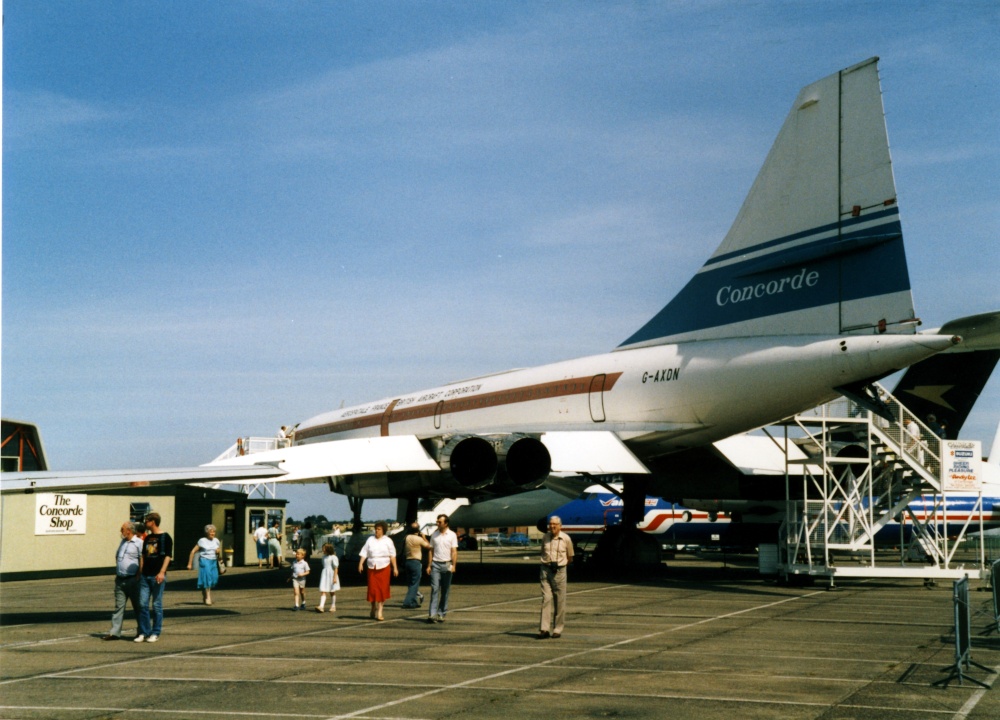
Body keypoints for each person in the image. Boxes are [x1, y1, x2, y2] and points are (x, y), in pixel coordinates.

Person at [102, 521, 144, 640]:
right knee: (118, 607)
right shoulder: (123, 542)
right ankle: (115, 633)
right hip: (120, 580)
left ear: (129, 531)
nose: (121, 531)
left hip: (133, 579)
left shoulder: (139, 543)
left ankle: (142, 631)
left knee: (138, 607)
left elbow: (142, 559)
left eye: (122, 529)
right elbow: (117, 556)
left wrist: (138, 575)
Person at [136, 512, 172, 643]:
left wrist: (162, 572)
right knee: (142, 604)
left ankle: (155, 632)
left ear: (153, 522)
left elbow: (168, 556)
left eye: (147, 521)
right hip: (145, 575)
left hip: (157, 575)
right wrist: (140, 572)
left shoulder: (165, 537)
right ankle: (144, 632)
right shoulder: (148, 538)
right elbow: (143, 556)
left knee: (156, 604)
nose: (145, 523)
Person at [538, 515, 574, 639]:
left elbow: (570, 557)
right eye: (551, 524)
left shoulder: (566, 539)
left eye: (555, 524)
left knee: (559, 601)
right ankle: (544, 629)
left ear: (560, 526)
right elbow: (542, 552)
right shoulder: (545, 537)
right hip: (545, 570)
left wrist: (560, 566)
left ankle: (557, 629)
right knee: (546, 599)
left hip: (559, 571)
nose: (552, 526)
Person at [358, 520, 398, 621]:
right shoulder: (370, 539)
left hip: (384, 567)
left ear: (383, 530)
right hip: (372, 567)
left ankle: (380, 610)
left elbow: (392, 555)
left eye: (379, 529)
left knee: (382, 589)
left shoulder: (388, 540)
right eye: (376, 529)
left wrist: (395, 568)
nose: (376, 531)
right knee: (372, 589)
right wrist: (361, 563)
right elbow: (364, 552)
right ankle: (373, 607)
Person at [426, 514, 458, 624]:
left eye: (440, 522)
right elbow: (431, 551)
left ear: (446, 523)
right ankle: (432, 614)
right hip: (435, 564)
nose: (437, 523)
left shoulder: (452, 535)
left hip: (447, 564)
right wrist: (429, 565)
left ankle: (441, 613)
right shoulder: (434, 535)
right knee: (434, 589)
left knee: (445, 590)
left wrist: (454, 565)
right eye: (437, 521)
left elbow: (454, 551)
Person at [186, 524, 223, 605]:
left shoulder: (216, 541)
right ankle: (208, 597)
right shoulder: (202, 541)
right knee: (207, 578)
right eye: (210, 532)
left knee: (214, 578)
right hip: (205, 560)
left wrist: (218, 552)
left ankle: (204, 592)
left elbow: (218, 553)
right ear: (207, 532)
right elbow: (193, 551)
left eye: (214, 532)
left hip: (213, 561)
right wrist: (189, 564)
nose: (212, 533)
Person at [402, 523, 429, 608]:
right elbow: (429, 546)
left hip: (407, 561)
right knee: (415, 583)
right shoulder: (419, 539)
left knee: (410, 583)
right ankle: (407, 602)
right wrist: (424, 537)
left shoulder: (406, 537)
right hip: (415, 561)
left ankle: (413, 601)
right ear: (418, 530)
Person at [316, 543, 340, 613]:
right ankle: (321, 606)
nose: (323, 550)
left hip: (331, 575)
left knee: (332, 591)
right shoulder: (323, 557)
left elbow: (336, 568)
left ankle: (333, 606)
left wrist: (334, 578)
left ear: (328, 549)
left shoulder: (333, 557)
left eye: (324, 548)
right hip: (325, 575)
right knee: (323, 590)